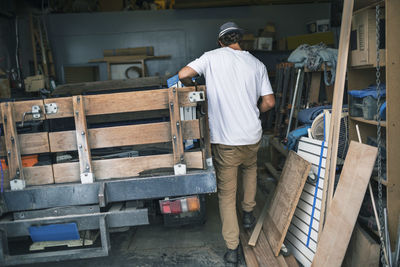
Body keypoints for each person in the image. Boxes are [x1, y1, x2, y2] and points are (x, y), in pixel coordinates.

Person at [178, 22, 275, 264]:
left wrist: (196, 87)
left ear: (220, 41)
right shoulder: (257, 63)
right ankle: (249, 214)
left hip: (227, 140)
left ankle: (232, 249)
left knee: (226, 194)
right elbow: (270, 102)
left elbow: (183, 75)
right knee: (251, 169)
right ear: (240, 40)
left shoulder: (210, 57)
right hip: (252, 135)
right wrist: (254, 110)